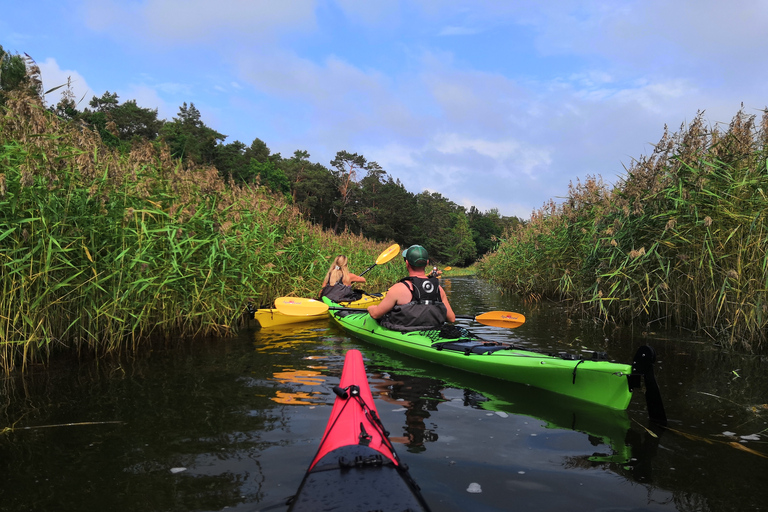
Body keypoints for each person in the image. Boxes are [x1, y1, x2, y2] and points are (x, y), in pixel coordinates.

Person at [367, 245, 455, 331]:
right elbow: (451, 319)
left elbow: (375, 314)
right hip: (432, 331)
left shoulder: (398, 289)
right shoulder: (438, 289)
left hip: (405, 332)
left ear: (407, 263)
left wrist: (371, 308)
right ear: (427, 263)